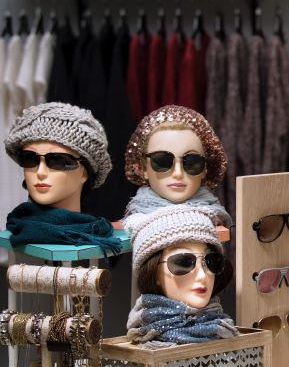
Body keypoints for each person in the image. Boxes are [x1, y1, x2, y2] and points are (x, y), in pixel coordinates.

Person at [3, 102, 121, 255]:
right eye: (30, 159)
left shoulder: (96, 232)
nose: (41, 172)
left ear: (85, 172)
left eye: (57, 160)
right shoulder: (16, 226)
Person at [124, 205, 238, 347]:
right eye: (183, 262)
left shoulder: (226, 332)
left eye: (211, 261)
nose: (203, 276)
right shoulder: (145, 347)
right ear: (154, 272)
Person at [122, 105, 231, 227]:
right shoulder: (135, 222)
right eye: (162, 161)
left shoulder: (216, 217)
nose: (178, 173)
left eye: (191, 162)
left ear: (205, 168)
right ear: (143, 168)